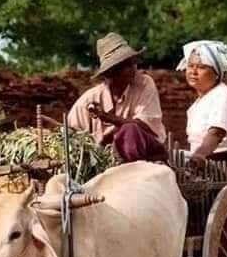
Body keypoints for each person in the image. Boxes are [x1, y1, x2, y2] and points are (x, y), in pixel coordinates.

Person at [68, 33, 167, 163]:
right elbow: (71, 135)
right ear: (110, 73)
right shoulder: (88, 100)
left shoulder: (144, 83)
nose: (133, 69)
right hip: (103, 163)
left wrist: (109, 118)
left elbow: (146, 126)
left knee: (130, 130)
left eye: (133, 63)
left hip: (145, 156)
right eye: (126, 65)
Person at [176, 40, 227, 169]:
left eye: (201, 67)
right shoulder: (201, 101)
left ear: (216, 73)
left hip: (222, 166)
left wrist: (199, 156)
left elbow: (216, 133)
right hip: (201, 161)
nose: (193, 71)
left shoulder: (222, 96)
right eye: (190, 66)